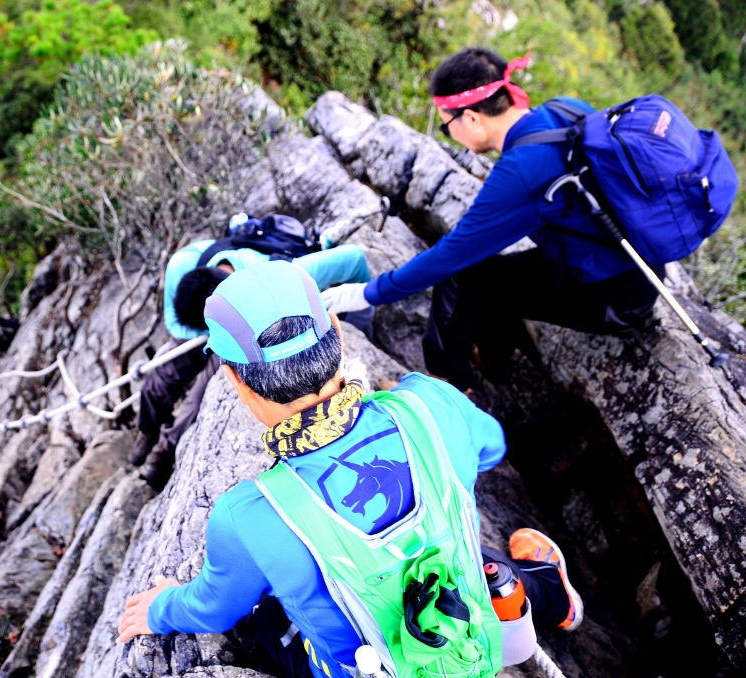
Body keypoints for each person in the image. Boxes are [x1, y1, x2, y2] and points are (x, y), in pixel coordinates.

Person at [117, 261, 583, 677]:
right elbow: (491, 448)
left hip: (370, 667)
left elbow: (215, 610)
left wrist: (161, 608)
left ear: (236, 380)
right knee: (474, 566)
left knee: (262, 621)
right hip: (467, 614)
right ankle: (552, 594)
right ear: (337, 332)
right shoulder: (430, 405)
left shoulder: (248, 517)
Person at [321, 47, 663, 392]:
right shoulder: (564, 110)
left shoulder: (522, 171)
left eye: (446, 125)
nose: (449, 133)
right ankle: (495, 361)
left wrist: (366, 293)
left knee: (463, 277)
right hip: (635, 266)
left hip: (612, 294)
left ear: (470, 118)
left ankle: (447, 391)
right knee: (490, 278)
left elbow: (448, 257)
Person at [130, 223, 371, 491]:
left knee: (201, 393)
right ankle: (147, 429)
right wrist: (206, 336)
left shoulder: (283, 274)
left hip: (247, 330)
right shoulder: (181, 265)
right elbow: (174, 323)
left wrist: (363, 320)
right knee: (161, 378)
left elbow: (353, 258)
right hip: (195, 330)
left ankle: (164, 449)